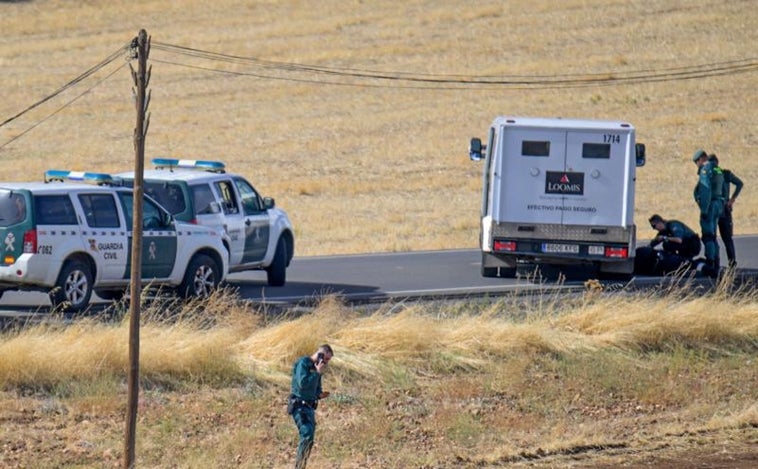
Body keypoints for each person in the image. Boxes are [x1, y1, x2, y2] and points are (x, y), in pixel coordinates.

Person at [288, 344, 333, 469]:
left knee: (310, 438)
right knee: (306, 433)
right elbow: (302, 383)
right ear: (320, 354)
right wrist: (317, 373)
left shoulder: (317, 369)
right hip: (299, 406)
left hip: (309, 408)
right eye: (326, 359)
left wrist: (320, 394)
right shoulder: (304, 363)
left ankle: (301, 465)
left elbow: (316, 389)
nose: (326, 362)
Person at [691, 149, 724, 276]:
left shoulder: (705, 169)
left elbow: (705, 191)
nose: (697, 165)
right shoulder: (717, 169)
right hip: (718, 204)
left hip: (709, 207)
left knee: (708, 236)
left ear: (701, 159)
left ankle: (710, 264)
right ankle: (716, 261)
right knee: (713, 235)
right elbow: (724, 187)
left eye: (696, 162)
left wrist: (704, 209)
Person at [709, 154, 743, 268]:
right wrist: (731, 200)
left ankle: (716, 262)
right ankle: (731, 263)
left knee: (715, 237)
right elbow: (739, 183)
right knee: (726, 238)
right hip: (723, 209)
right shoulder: (725, 173)